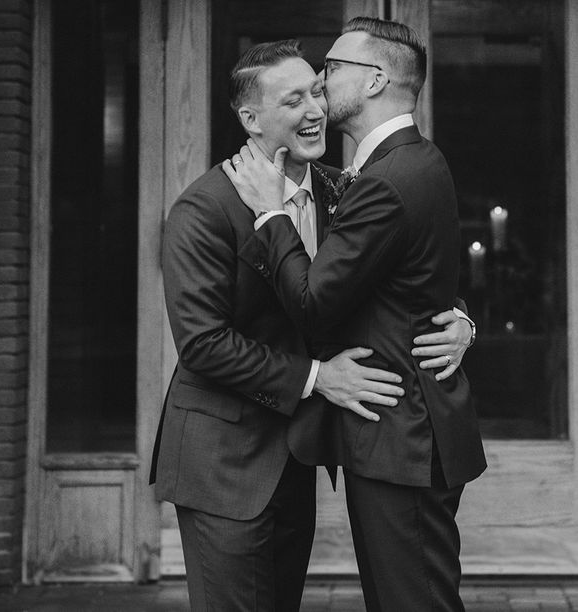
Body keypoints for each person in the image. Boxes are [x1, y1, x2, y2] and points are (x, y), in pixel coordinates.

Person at [150, 38, 475, 612]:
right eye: (293, 100)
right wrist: (318, 377)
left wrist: (461, 321)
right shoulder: (204, 209)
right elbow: (203, 344)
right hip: (223, 457)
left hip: (294, 455)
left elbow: (398, 267)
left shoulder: (339, 187)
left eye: (318, 91)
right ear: (250, 119)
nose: (315, 110)